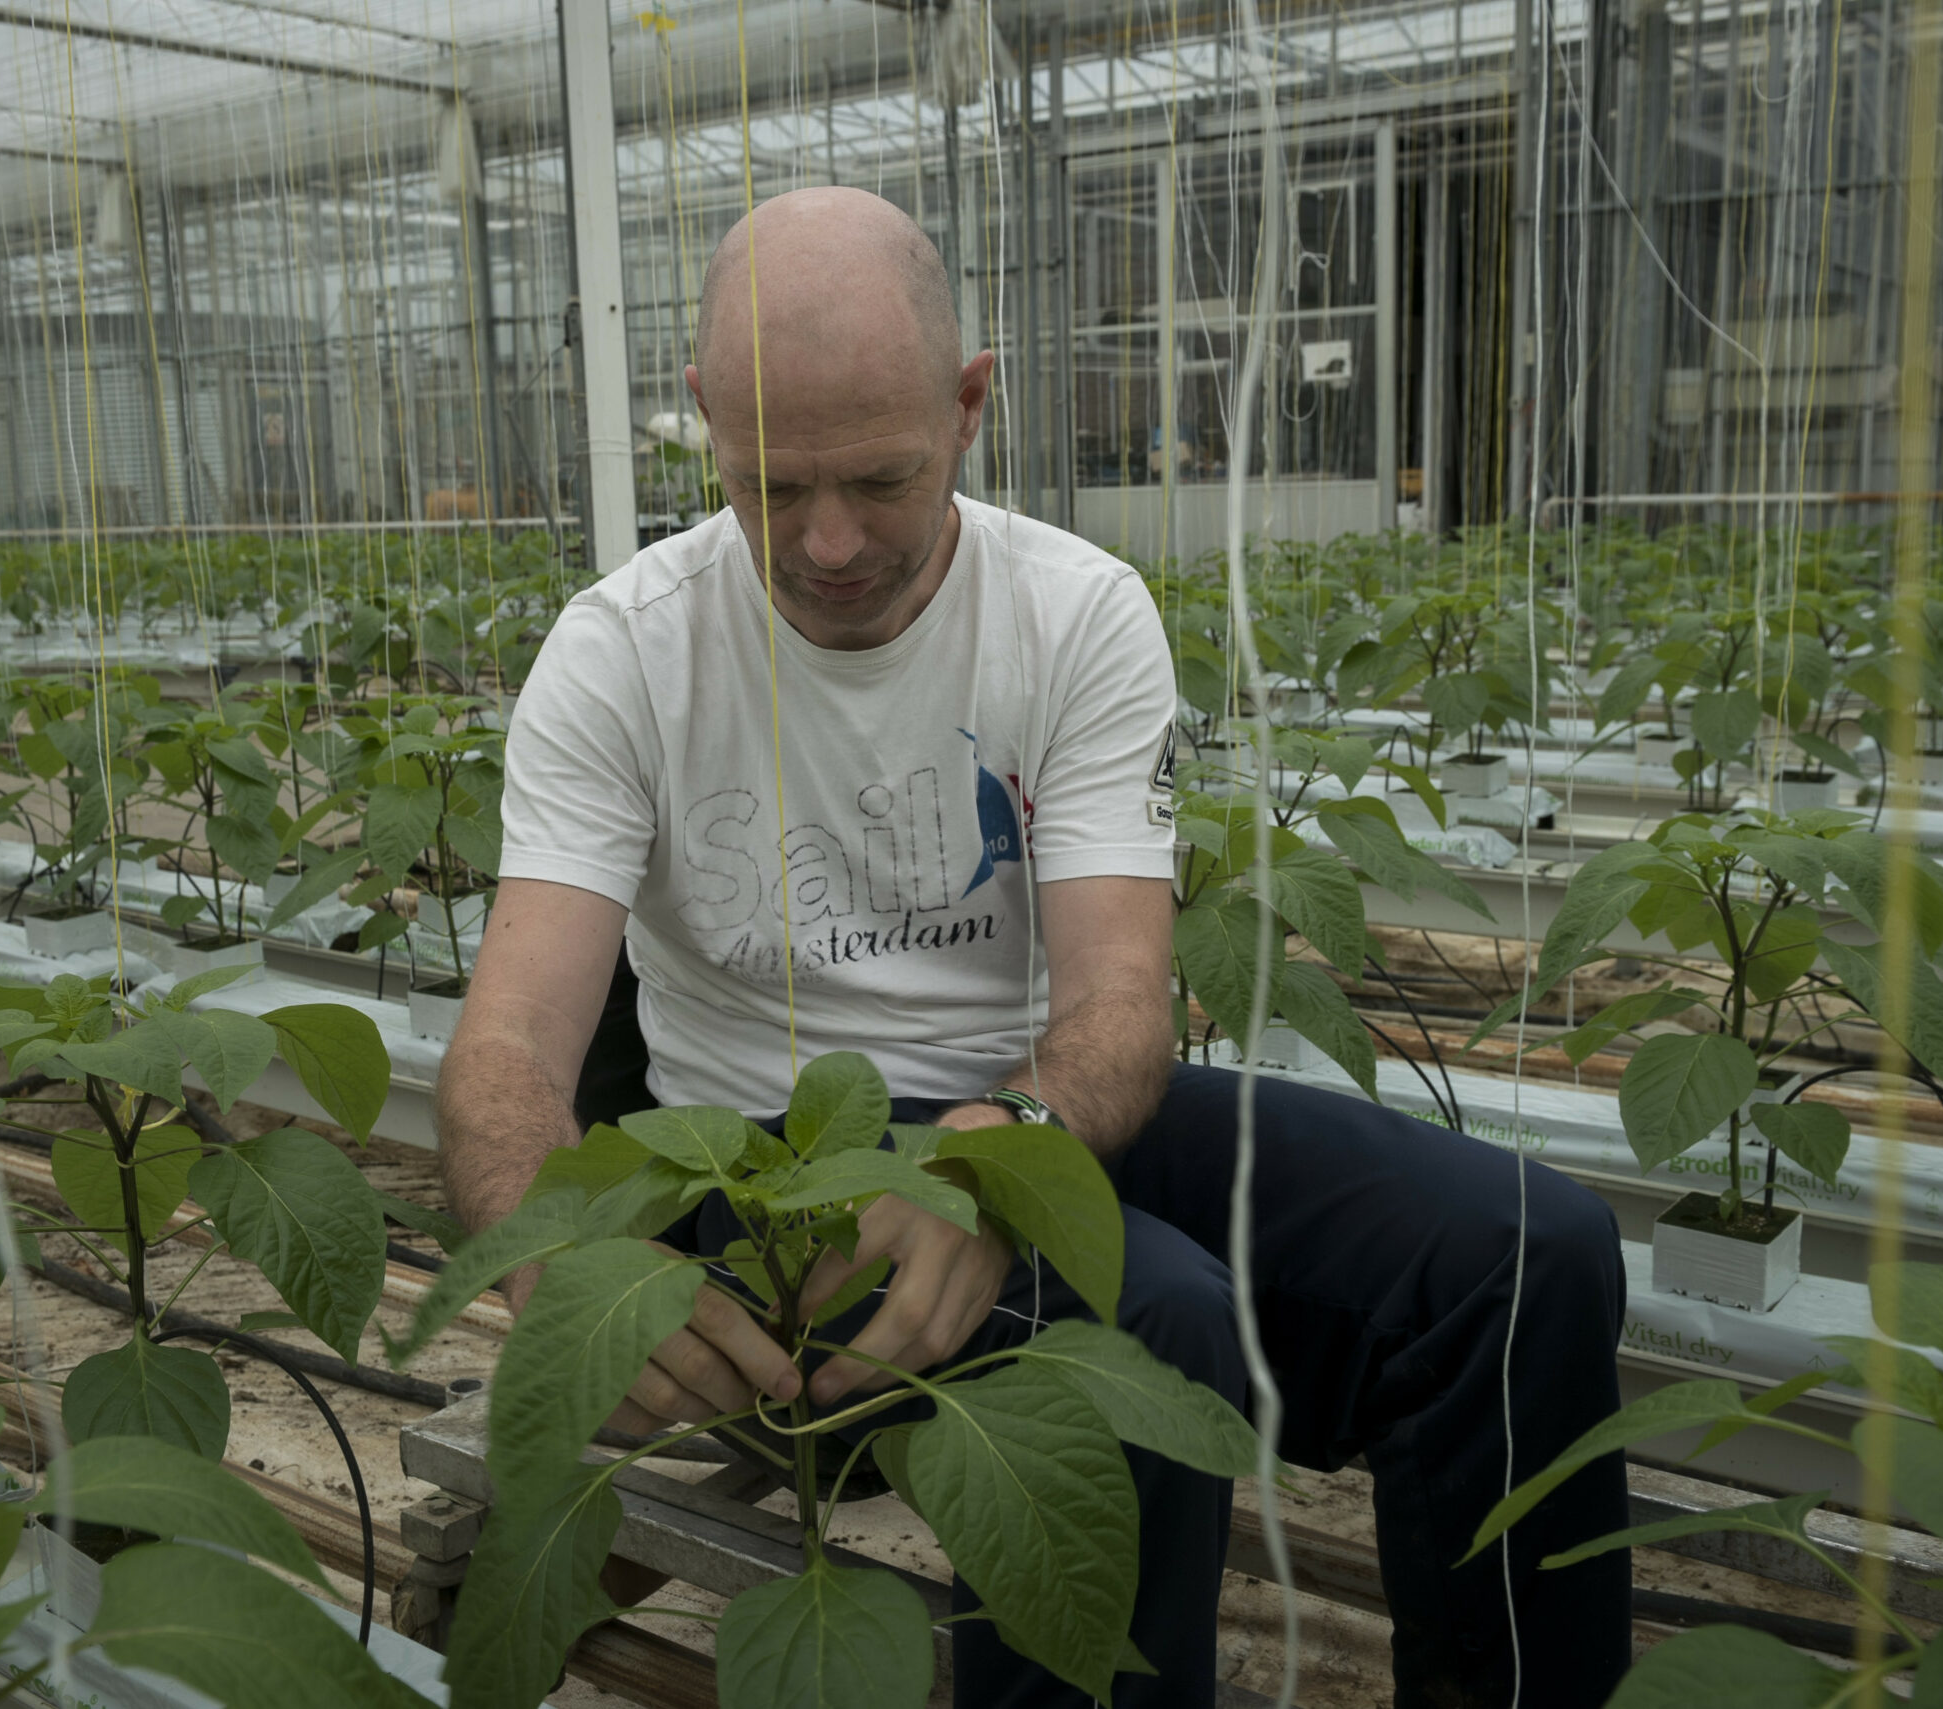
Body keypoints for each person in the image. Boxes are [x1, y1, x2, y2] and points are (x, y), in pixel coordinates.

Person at [435, 185, 1629, 1708]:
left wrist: (999, 1150)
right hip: (779, 1183)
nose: (828, 542)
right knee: (1163, 1324)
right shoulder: (623, 651)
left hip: (1042, 1113)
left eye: (881, 475)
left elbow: (1123, 1005)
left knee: (1529, 1258)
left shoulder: (1074, 614)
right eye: (768, 485)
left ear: (973, 404)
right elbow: (508, 1048)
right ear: (702, 427)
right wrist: (560, 1264)